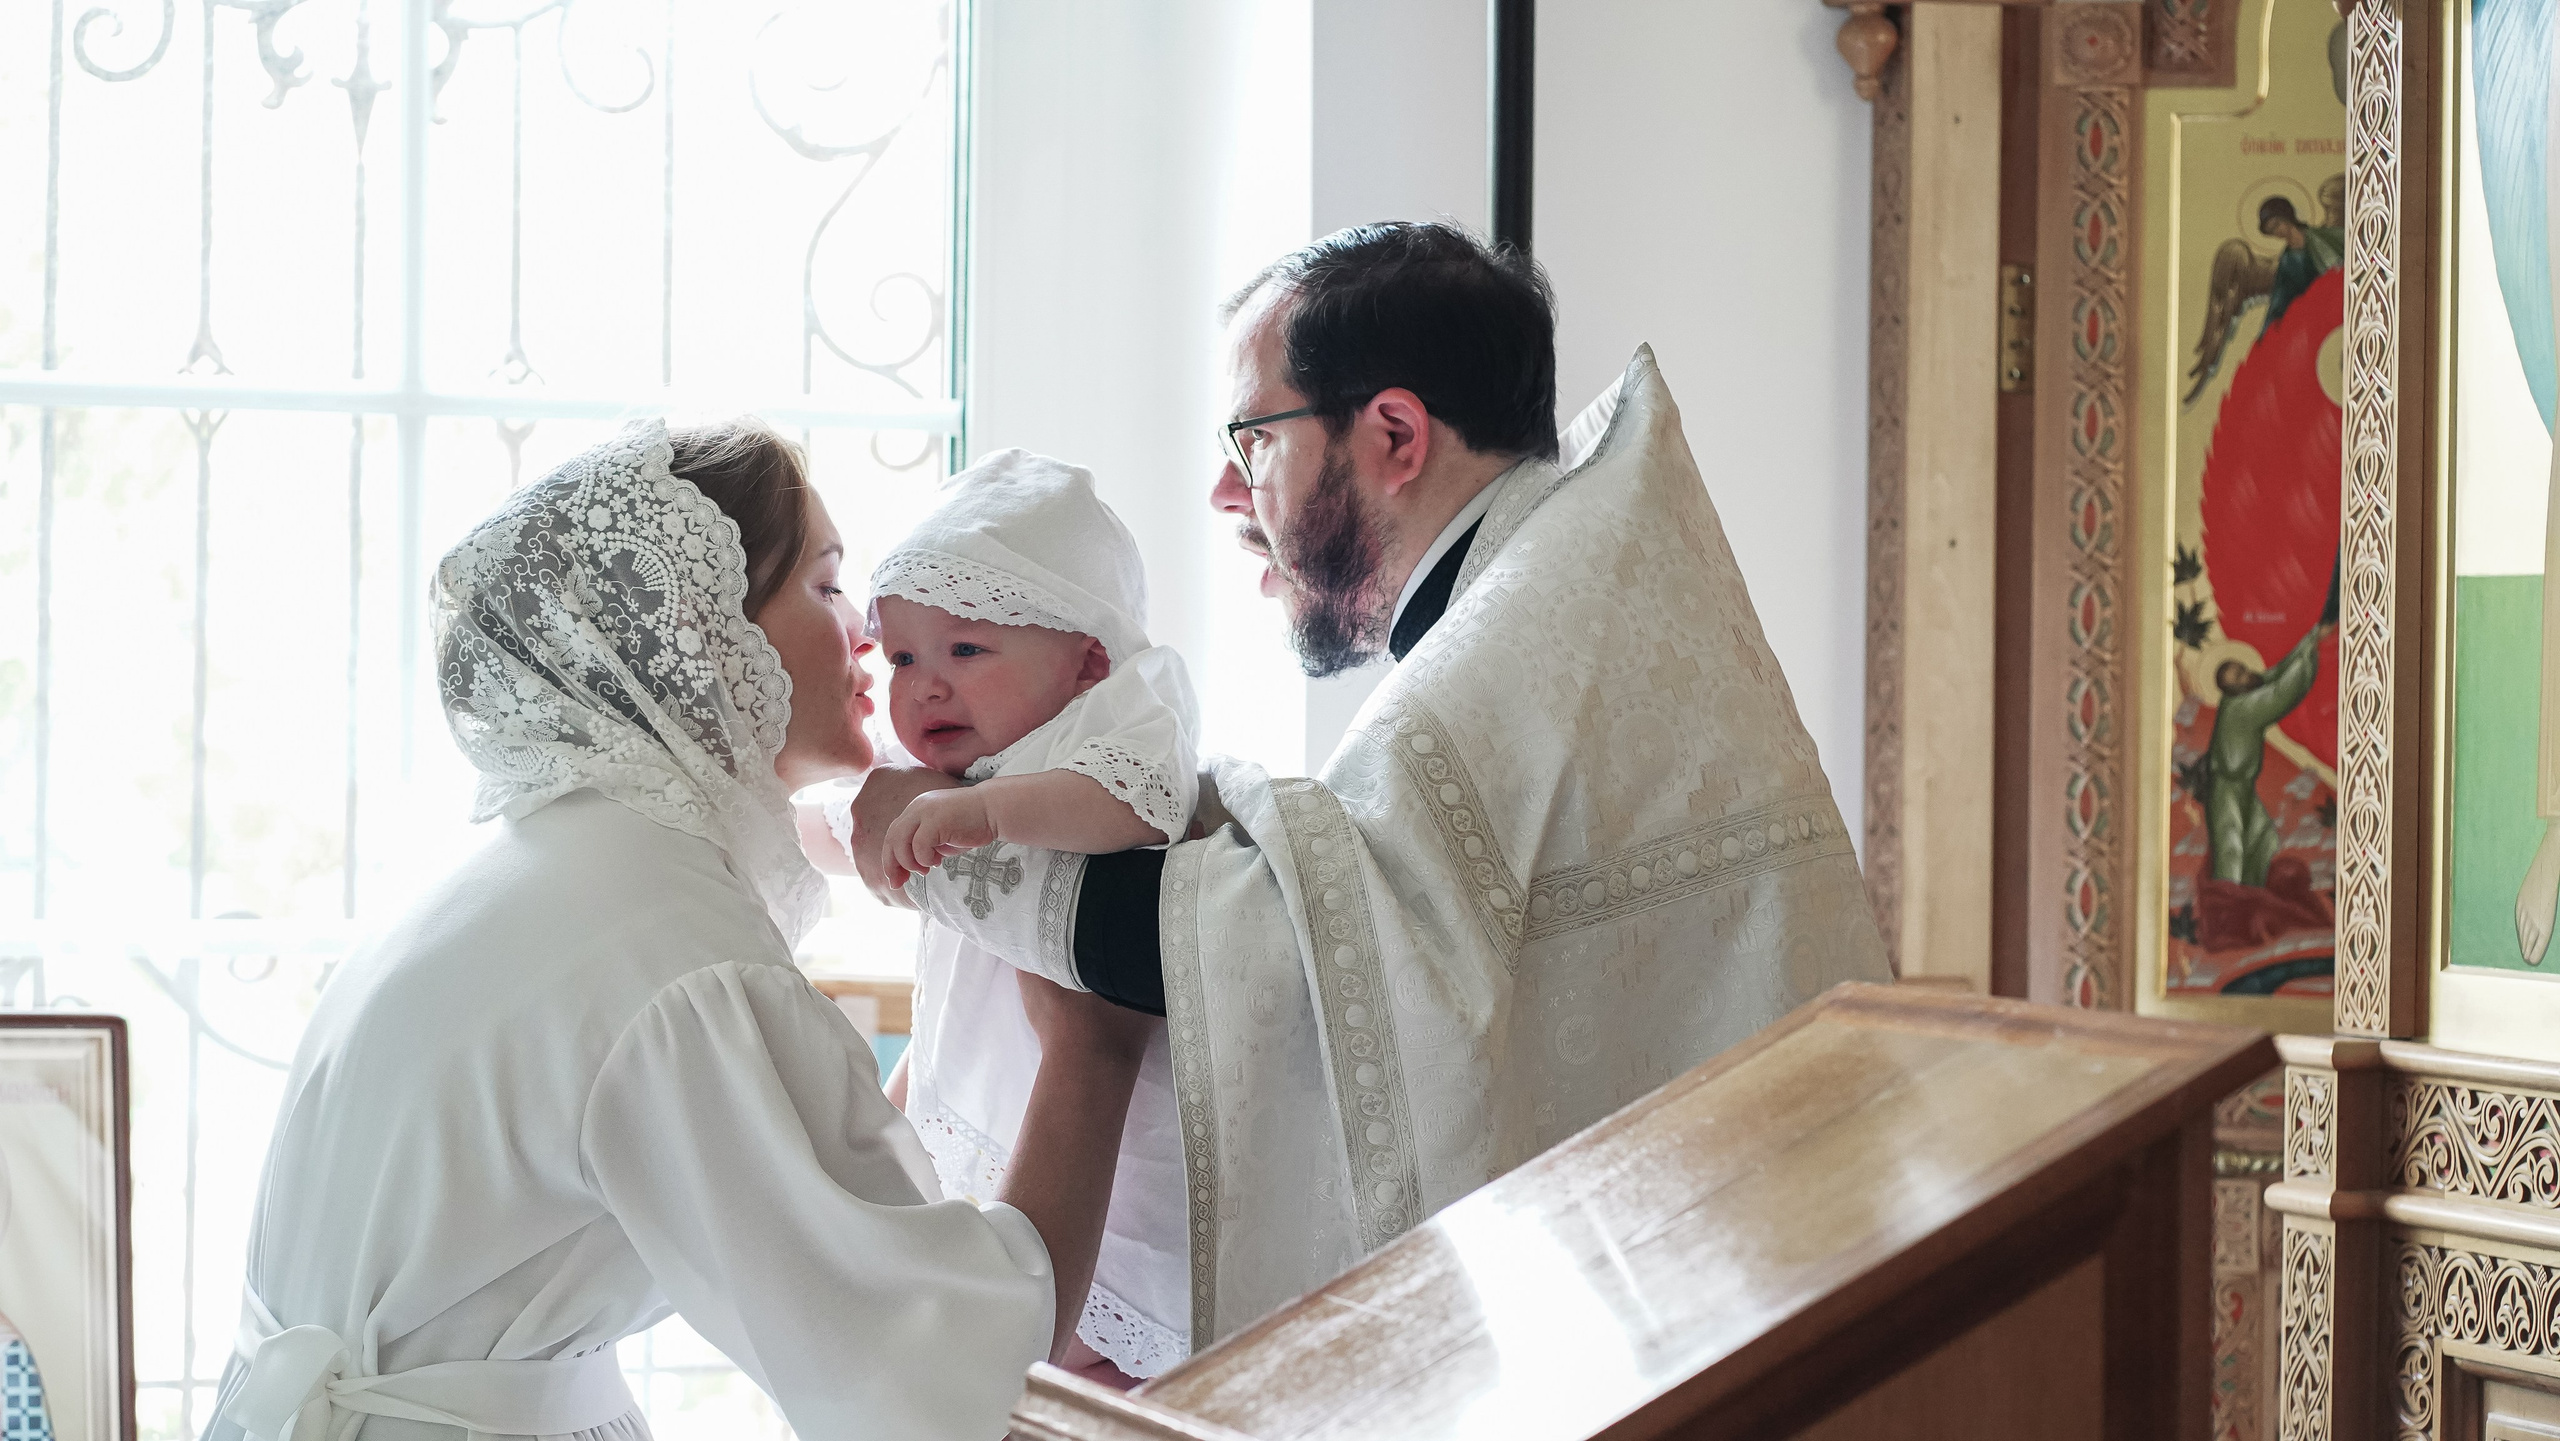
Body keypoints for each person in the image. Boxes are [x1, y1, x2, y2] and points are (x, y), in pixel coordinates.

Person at [845, 222, 1891, 1346]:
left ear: (1394, 434)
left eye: (1253, 438)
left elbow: (1283, 958)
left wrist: (926, 845)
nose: (1225, 489)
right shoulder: (1543, 593)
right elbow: (1357, 906)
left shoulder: (1521, 639)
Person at [210, 419, 1151, 1441]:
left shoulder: (550, 865)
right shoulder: (674, 946)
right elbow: (939, 1375)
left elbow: (810, 1195)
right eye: (828, 586)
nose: (868, 634)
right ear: (703, 628)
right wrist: (1089, 1049)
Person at [847, 449, 1198, 1381]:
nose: (925, 684)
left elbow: (1137, 803)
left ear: (1087, 659)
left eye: (965, 650)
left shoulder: (1117, 716)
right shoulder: (954, 766)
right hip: (995, 1054)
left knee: (1090, 1317)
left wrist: (990, 811)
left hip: (1103, 1087)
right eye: (903, 657)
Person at [2205, 620, 2334, 887]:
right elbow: (2282, 692)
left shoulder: (2243, 693)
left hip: (2242, 786)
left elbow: (2275, 675)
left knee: (2262, 837)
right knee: (2231, 848)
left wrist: (2311, 639)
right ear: (2232, 689)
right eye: (2239, 676)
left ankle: (2249, 893)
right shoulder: (2242, 708)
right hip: (2226, 788)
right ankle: (2228, 901)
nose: (2246, 674)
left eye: (2242, 669)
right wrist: (2311, 649)